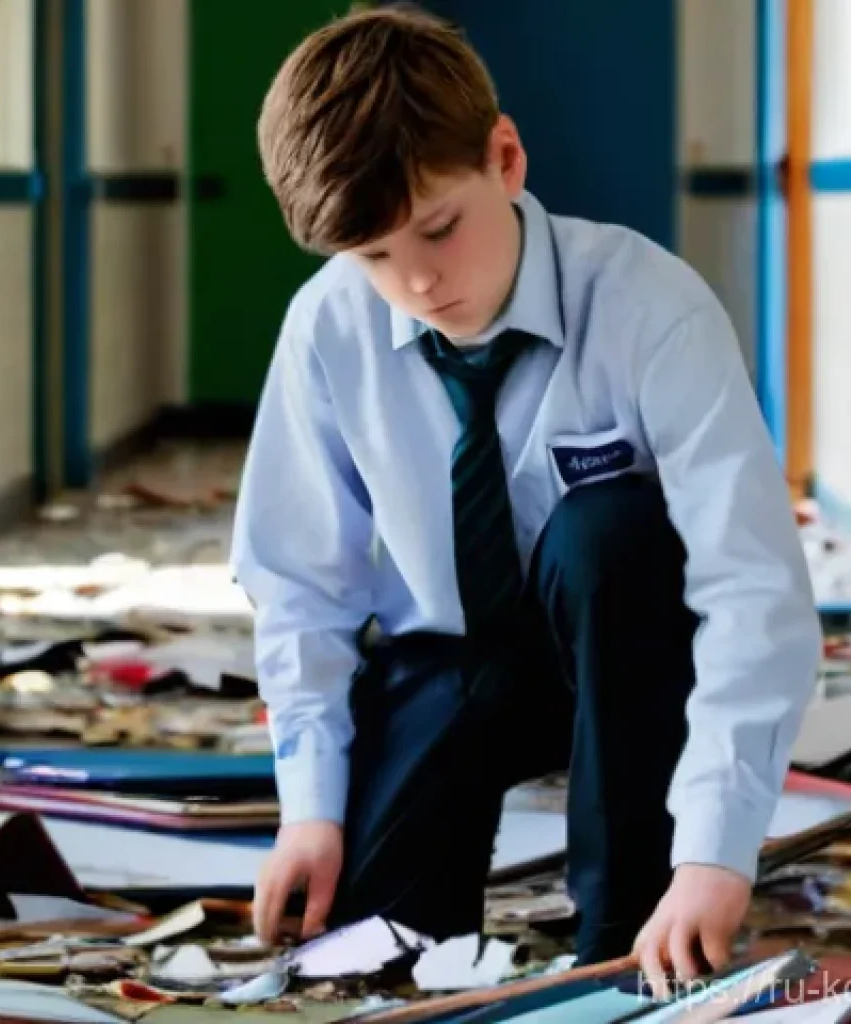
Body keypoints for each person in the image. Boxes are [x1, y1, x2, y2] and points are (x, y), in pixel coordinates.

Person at [229, 1, 822, 989]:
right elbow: (300, 589)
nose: (418, 283)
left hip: (627, 659)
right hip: (452, 661)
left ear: (504, 159)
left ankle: (621, 931)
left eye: (438, 229)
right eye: (373, 256)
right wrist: (311, 810)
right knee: (373, 953)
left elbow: (751, 586)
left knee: (610, 533)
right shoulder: (327, 327)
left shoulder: (650, 307)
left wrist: (714, 854)